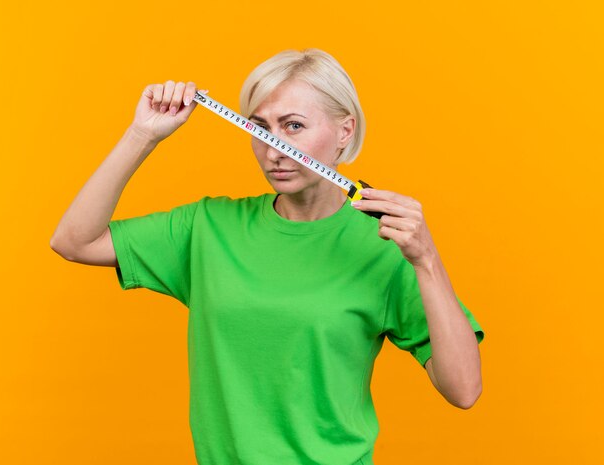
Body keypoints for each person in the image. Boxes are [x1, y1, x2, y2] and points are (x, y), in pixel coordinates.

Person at [50, 48, 485, 465]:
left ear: (345, 131)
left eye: (293, 126)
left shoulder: (384, 246)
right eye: (259, 128)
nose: (274, 149)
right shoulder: (208, 228)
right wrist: (142, 134)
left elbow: (463, 389)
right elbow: (74, 241)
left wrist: (426, 260)